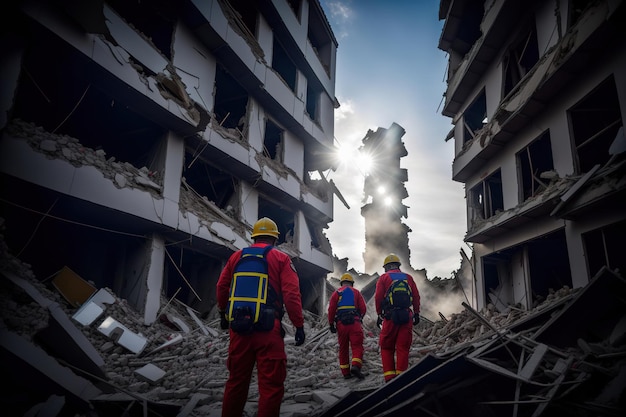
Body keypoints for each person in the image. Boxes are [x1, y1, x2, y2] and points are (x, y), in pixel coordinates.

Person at [216, 217, 306, 417]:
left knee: (236, 382)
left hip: (239, 328)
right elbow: (291, 295)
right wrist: (298, 325)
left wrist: (223, 313)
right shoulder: (281, 259)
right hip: (268, 329)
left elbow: (221, 287)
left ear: (254, 237)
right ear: (274, 239)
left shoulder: (236, 257)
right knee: (271, 387)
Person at [374, 253, 421, 382]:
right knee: (403, 348)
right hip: (407, 316)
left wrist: (379, 314)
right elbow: (416, 297)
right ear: (398, 266)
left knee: (386, 347)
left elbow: (378, 297)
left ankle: (389, 378)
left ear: (386, 267)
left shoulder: (384, 278)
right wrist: (416, 313)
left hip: (390, 317)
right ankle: (401, 379)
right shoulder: (408, 278)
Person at [327, 273, 367, 379]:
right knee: (357, 346)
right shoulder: (356, 292)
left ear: (342, 283)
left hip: (341, 324)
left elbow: (331, 310)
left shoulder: (336, 293)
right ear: (352, 283)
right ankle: (356, 366)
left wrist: (331, 324)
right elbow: (363, 308)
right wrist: (360, 317)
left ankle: (345, 373)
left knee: (343, 348)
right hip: (355, 323)